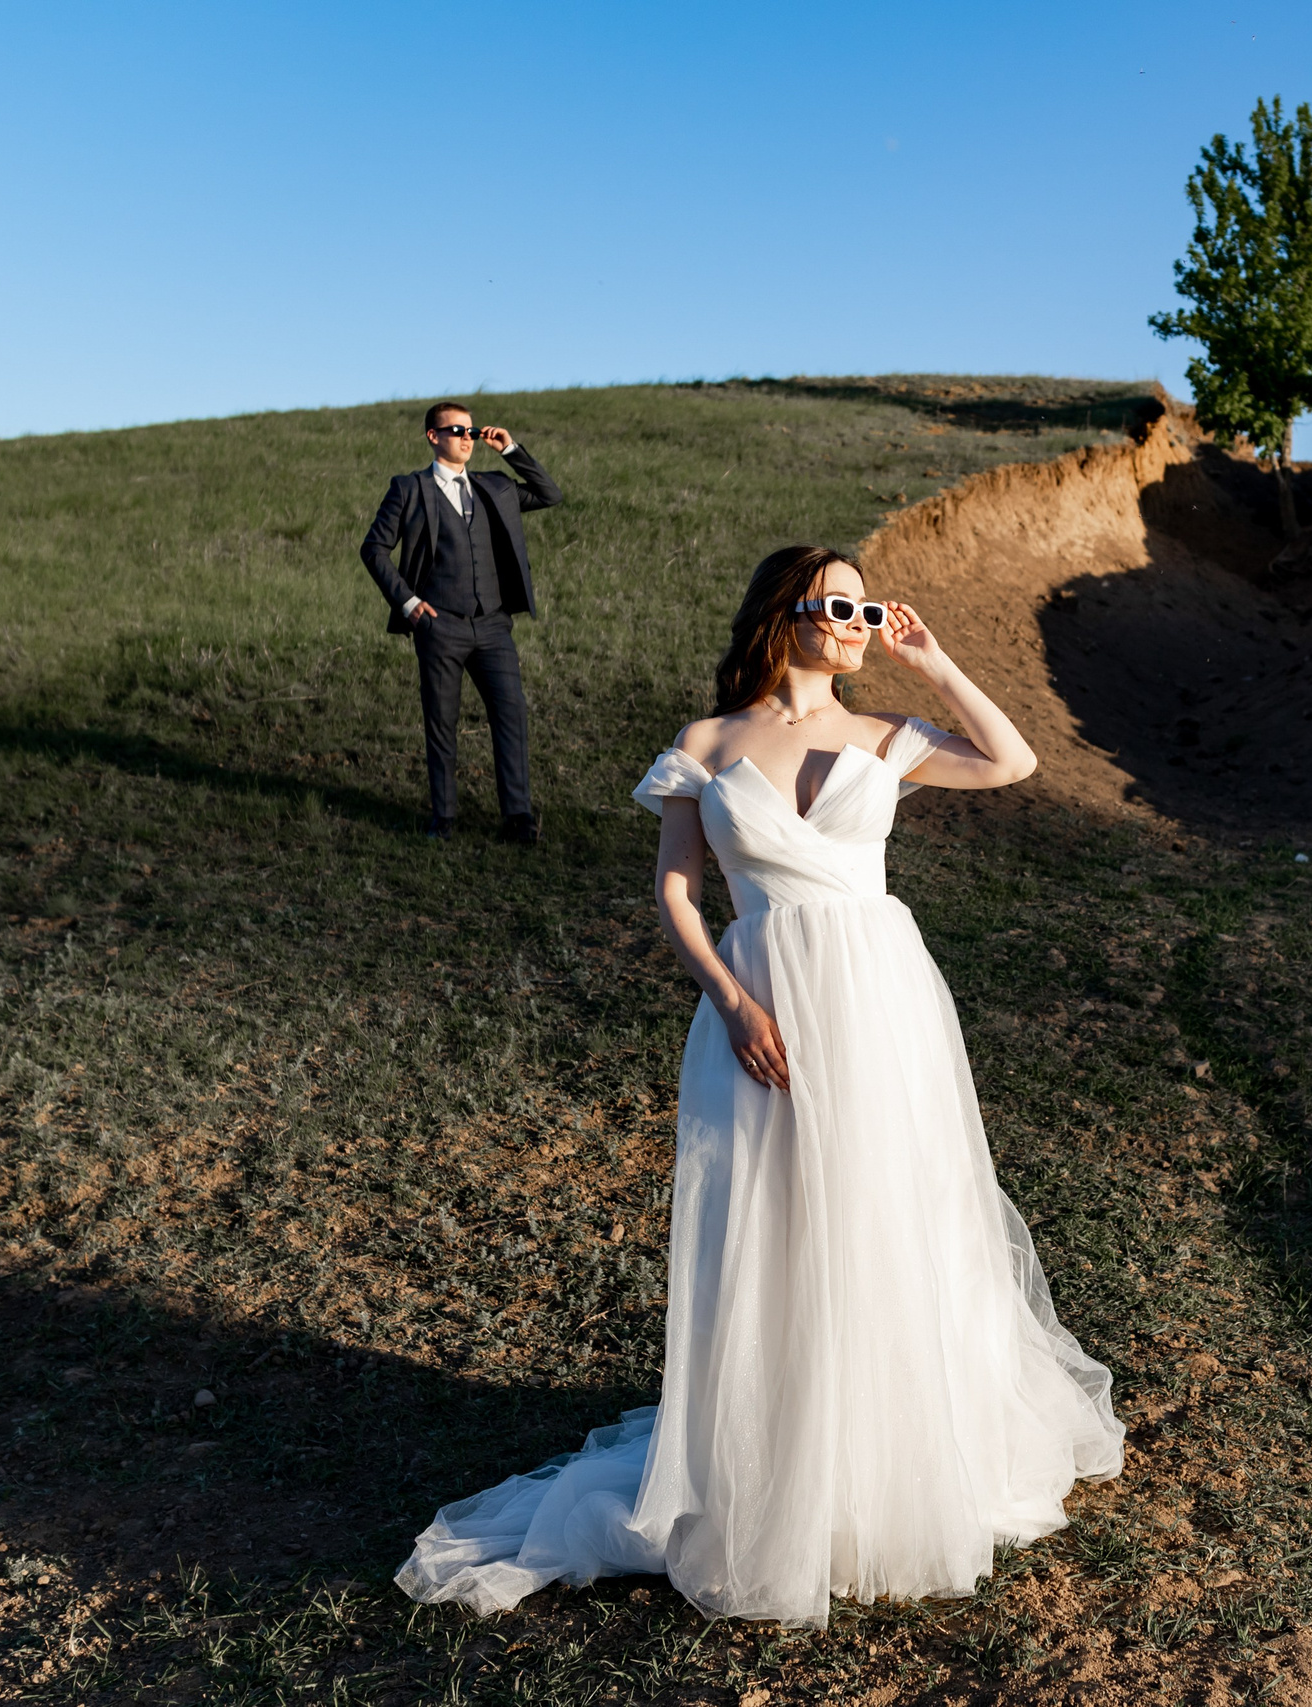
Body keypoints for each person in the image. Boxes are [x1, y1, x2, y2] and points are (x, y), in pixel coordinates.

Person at [395, 545, 1123, 1626]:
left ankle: (896, 1460)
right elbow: (681, 895)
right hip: (762, 999)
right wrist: (734, 1003)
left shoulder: (886, 735)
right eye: (835, 603)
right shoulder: (707, 744)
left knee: (888, 1211)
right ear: (782, 614)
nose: (854, 620)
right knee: (775, 1223)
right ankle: (781, 1464)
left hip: (878, 998)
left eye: (863, 608)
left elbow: (1011, 763)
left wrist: (932, 662)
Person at [359, 402, 564, 842]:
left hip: (492, 625)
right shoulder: (409, 489)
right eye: (456, 430)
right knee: (441, 721)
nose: (467, 438)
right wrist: (408, 602)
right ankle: (444, 817)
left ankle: (518, 818)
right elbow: (373, 549)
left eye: (471, 431)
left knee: (511, 716)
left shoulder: (496, 488)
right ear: (433, 436)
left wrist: (510, 449)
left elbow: (550, 494)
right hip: (440, 626)